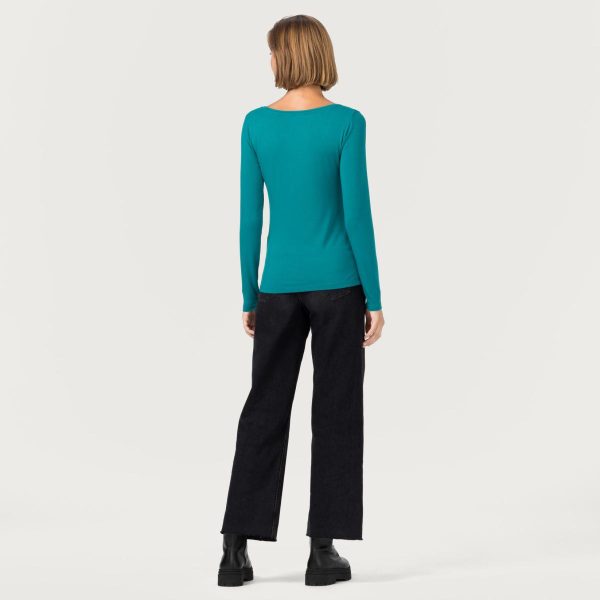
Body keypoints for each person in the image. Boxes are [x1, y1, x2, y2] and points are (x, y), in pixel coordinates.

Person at [218, 14, 385, 587]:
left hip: (277, 289)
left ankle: (234, 551)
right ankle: (322, 552)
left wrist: (250, 292)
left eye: (271, 52)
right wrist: (374, 295)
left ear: (286, 57)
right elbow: (357, 215)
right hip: (339, 287)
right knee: (336, 412)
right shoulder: (346, 122)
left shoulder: (256, 125)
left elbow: (250, 218)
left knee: (263, 409)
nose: (267, 60)